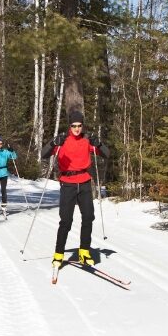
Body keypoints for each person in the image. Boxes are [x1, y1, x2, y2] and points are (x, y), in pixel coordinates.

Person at [41, 109, 109, 271]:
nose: (77, 129)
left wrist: (98, 143)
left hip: (84, 182)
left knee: (88, 217)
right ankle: (58, 254)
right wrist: (53, 143)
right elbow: (44, 154)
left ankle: (84, 252)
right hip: (68, 183)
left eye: (79, 125)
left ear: (82, 126)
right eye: (74, 126)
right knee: (66, 220)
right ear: (69, 126)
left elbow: (106, 154)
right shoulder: (62, 141)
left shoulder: (87, 141)